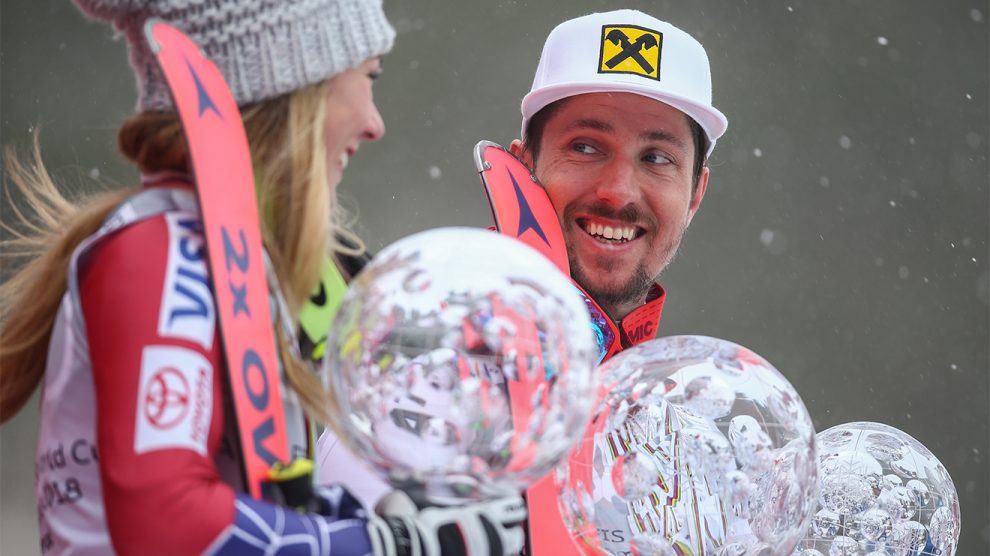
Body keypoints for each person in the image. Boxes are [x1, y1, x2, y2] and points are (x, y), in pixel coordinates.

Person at [0, 0, 524, 554]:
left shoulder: (238, 258)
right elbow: (166, 522)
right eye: (368, 77)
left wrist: (385, 517)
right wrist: (386, 544)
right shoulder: (162, 251)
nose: (375, 123)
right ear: (292, 83)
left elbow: (258, 502)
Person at [315, 8, 728, 552]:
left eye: (656, 158)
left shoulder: (683, 433)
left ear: (695, 195)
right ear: (524, 163)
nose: (619, 191)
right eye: (586, 146)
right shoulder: (425, 373)